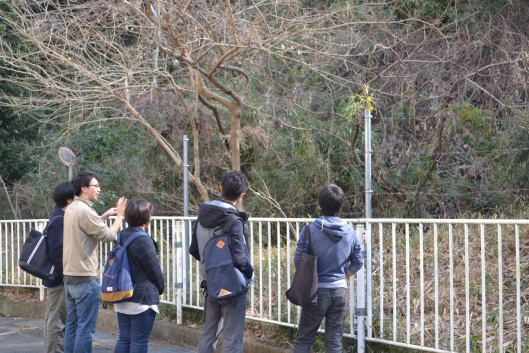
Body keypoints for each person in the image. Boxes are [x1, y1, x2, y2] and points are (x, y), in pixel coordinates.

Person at [292, 184, 364, 353]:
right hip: (340, 291)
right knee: (334, 342)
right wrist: (343, 276)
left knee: (304, 340)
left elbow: (298, 261)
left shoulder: (309, 230)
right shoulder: (350, 232)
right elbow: (358, 261)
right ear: (340, 205)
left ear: (319, 204)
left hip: (315, 292)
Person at [189, 170, 254, 353]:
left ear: (220, 188)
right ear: (241, 196)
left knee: (208, 336)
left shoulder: (202, 216)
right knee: (232, 340)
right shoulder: (234, 221)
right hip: (233, 287)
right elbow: (241, 258)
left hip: (210, 283)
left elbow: (193, 249)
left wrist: (211, 265)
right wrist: (249, 274)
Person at [63, 171, 127, 353]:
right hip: (85, 278)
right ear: (84, 188)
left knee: (73, 326)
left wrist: (104, 216)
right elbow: (107, 235)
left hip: (70, 277)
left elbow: (88, 228)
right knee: (85, 329)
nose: (98, 189)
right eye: (95, 186)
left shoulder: (72, 208)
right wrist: (120, 217)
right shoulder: (85, 210)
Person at [113, 198, 165, 353]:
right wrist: (160, 287)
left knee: (124, 339)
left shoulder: (121, 236)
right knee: (139, 342)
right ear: (146, 218)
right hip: (141, 299)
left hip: (122, 294)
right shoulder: (143, 240)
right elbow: (154, 270)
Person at [43, 181, 74, 353]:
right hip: (59, 280)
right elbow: (58, 253)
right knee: (56, 321)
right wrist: (68, 275)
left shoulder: (60, 217)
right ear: (69, 200)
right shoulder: (59, 220)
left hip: (58, 278)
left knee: (55, 319)